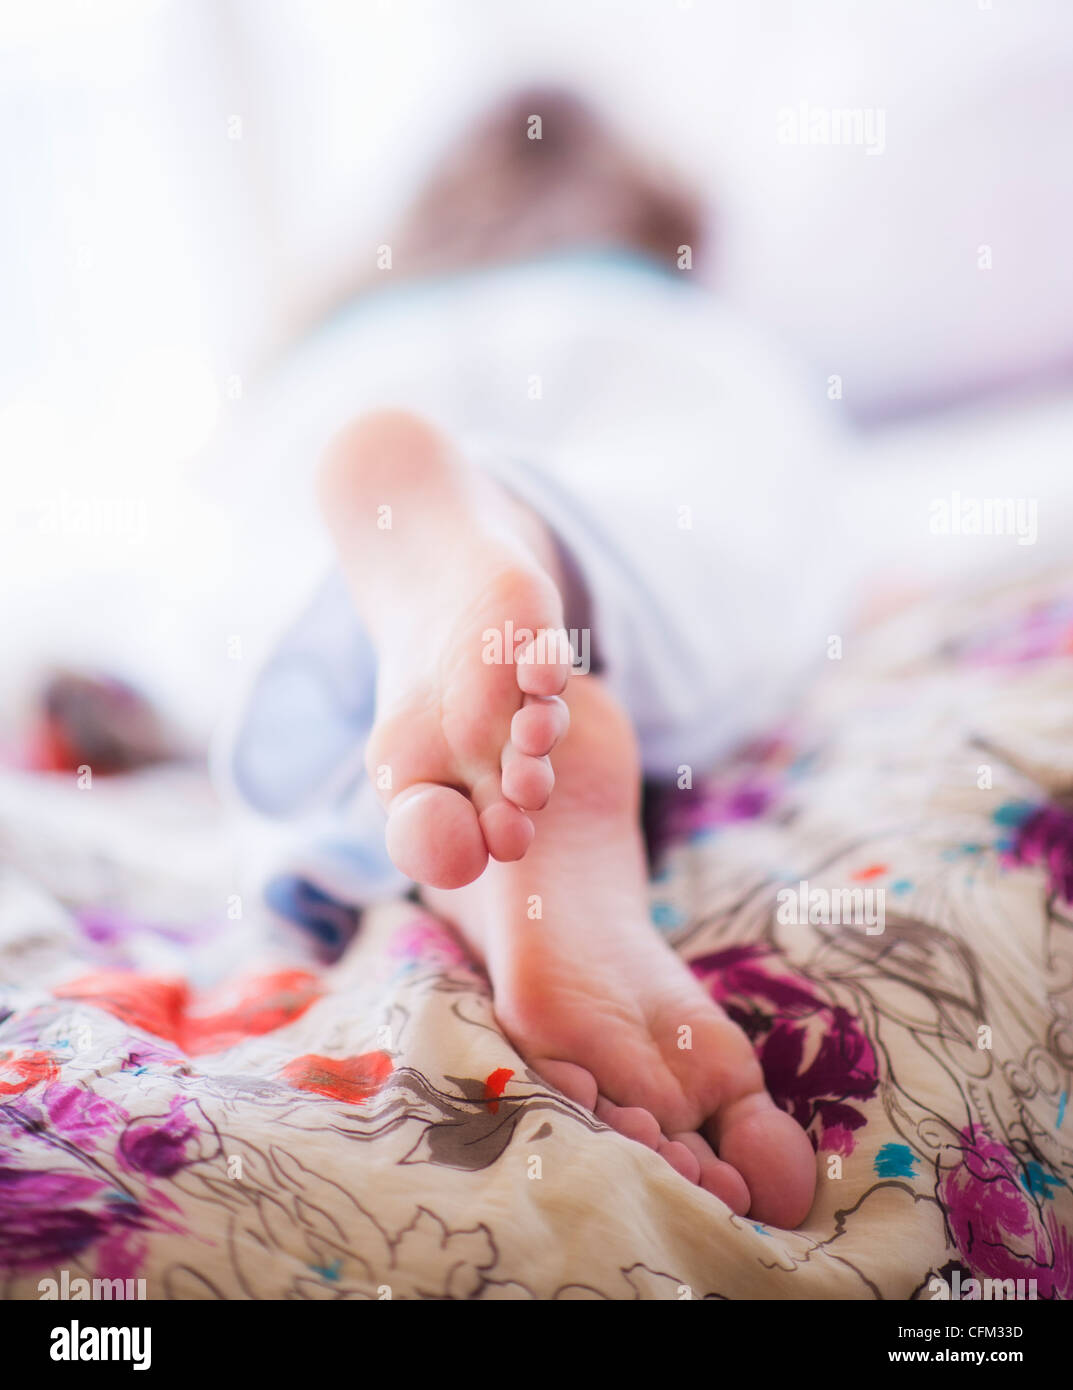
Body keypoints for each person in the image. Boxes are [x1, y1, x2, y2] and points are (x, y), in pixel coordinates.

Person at [228, 90, 854, 1228]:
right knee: (703, 534)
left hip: (342, 378)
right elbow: (793, 534)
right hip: (629, 328)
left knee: (257, 614)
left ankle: (439, 793)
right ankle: (540, 536)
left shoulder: (348, 320)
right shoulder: (666, 307)